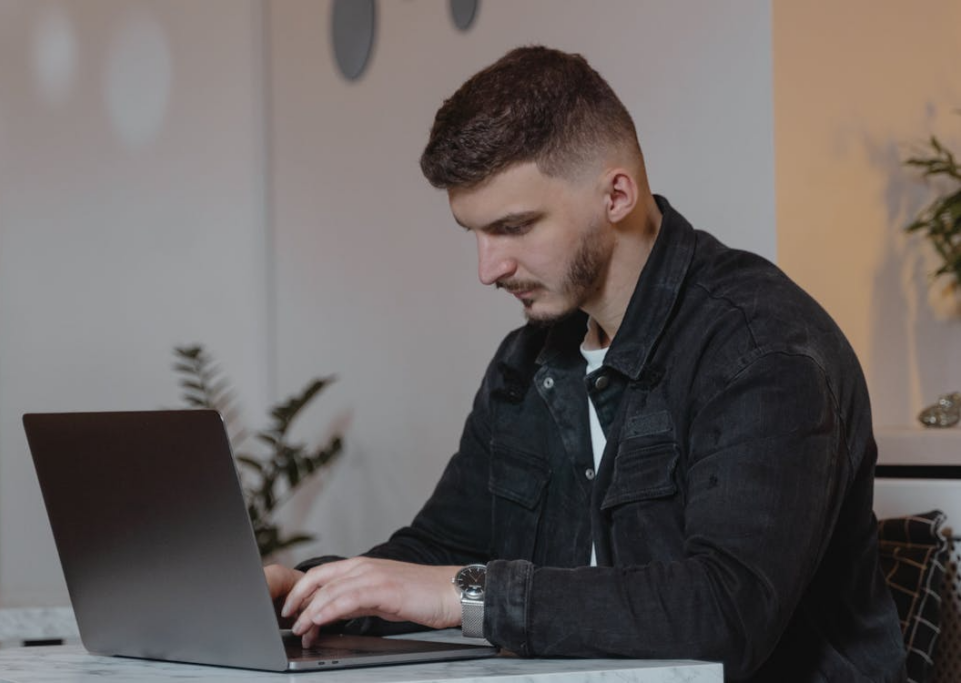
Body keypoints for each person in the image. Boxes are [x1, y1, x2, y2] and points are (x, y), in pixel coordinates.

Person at [265, 46, 906, 681]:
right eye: (476, 233)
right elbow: (442, 551)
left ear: (617, 194)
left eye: (515, 227)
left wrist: (467, 594)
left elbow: (724, 613)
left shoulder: (761, 349)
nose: (489, 268)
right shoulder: (527, 363)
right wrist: (309, 591)